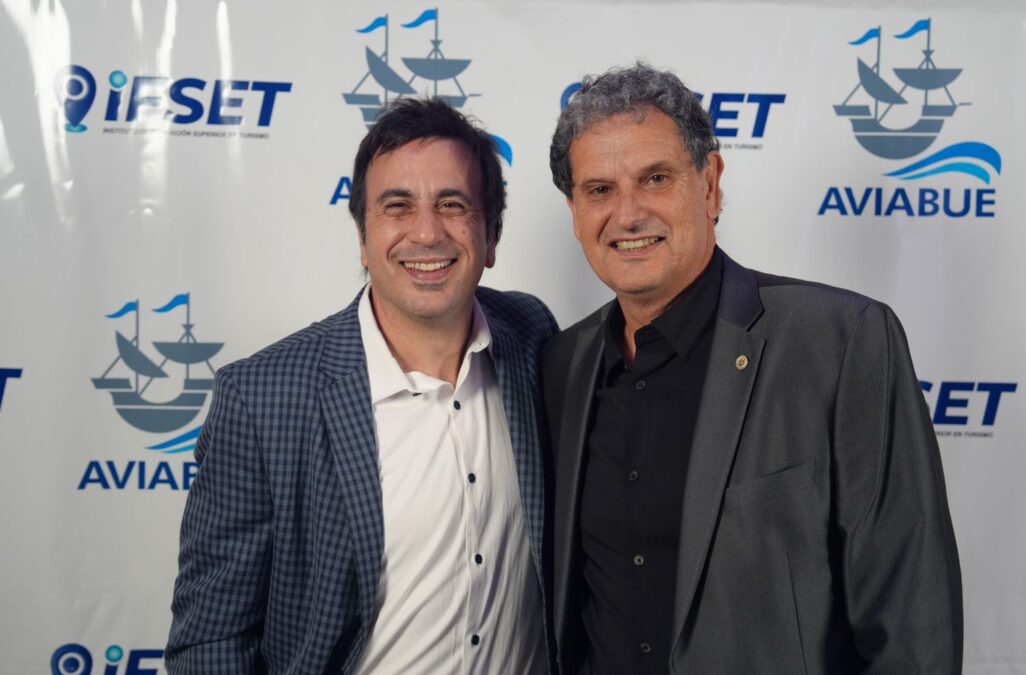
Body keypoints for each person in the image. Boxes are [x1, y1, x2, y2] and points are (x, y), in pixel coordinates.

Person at [543, 63, 962, 674]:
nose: (627, 214)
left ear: (710, 185)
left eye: (655, 178)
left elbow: (910, 620)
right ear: (575, 212)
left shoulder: (840, 342)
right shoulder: (563, 365)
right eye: (599, 190)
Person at [166, 98, 557, 674]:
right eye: (397, 206)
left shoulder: (532, 337)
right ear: (362, 236)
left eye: (452, 205)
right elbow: (211, 641)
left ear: (491, 235)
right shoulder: (263, 399)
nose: (426, 232)